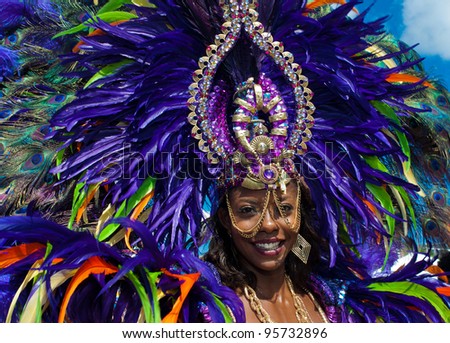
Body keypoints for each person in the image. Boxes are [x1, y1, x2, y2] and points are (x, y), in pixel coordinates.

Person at [0, 0, 449, 323]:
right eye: (248, 210)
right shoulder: (189, 314)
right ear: (223, 218)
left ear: (304, 212)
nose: (272, 226)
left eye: (285, 208)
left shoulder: (355, 309)